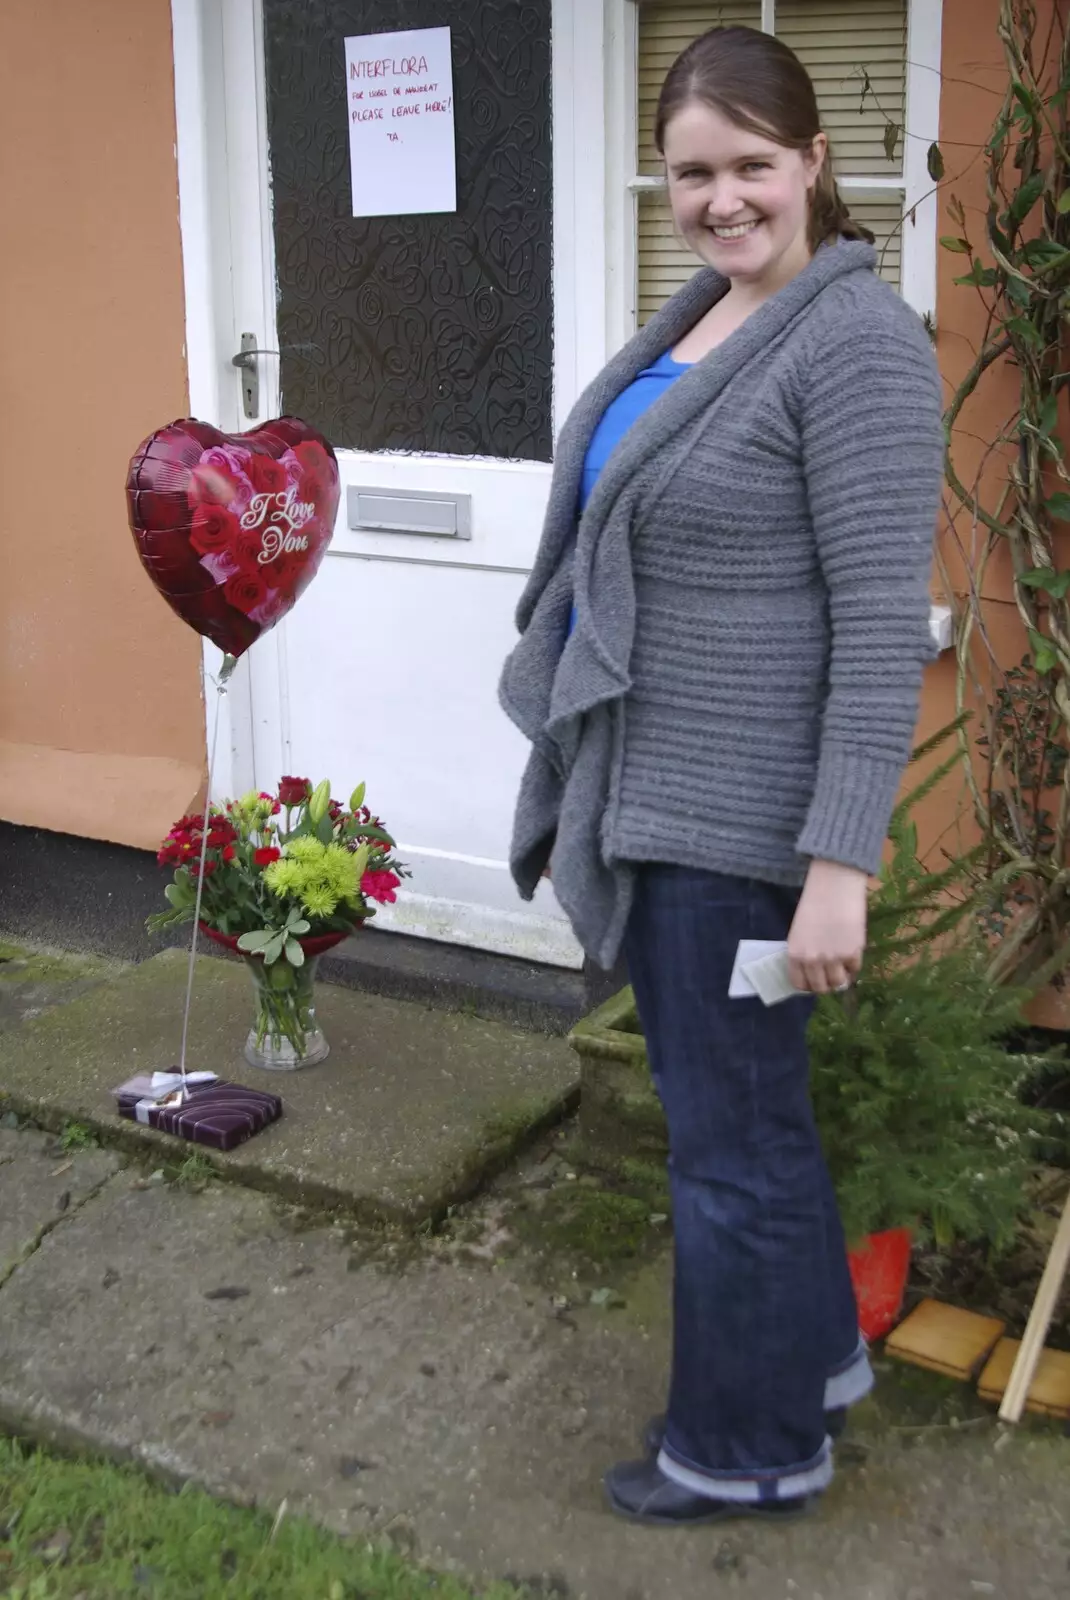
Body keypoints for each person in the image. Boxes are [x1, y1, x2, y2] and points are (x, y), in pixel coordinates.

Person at [499, 24, 944, 1526]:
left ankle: (744, 1450)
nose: (721, 198)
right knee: (746, 1128)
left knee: (725, 1147)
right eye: (693, 172)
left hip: (745, 830)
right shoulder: (700, 318)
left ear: (814, 161)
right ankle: (804, 1372)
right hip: (664, 796)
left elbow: (880, 625)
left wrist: (840, 864)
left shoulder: (856, 343)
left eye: (751, 164)